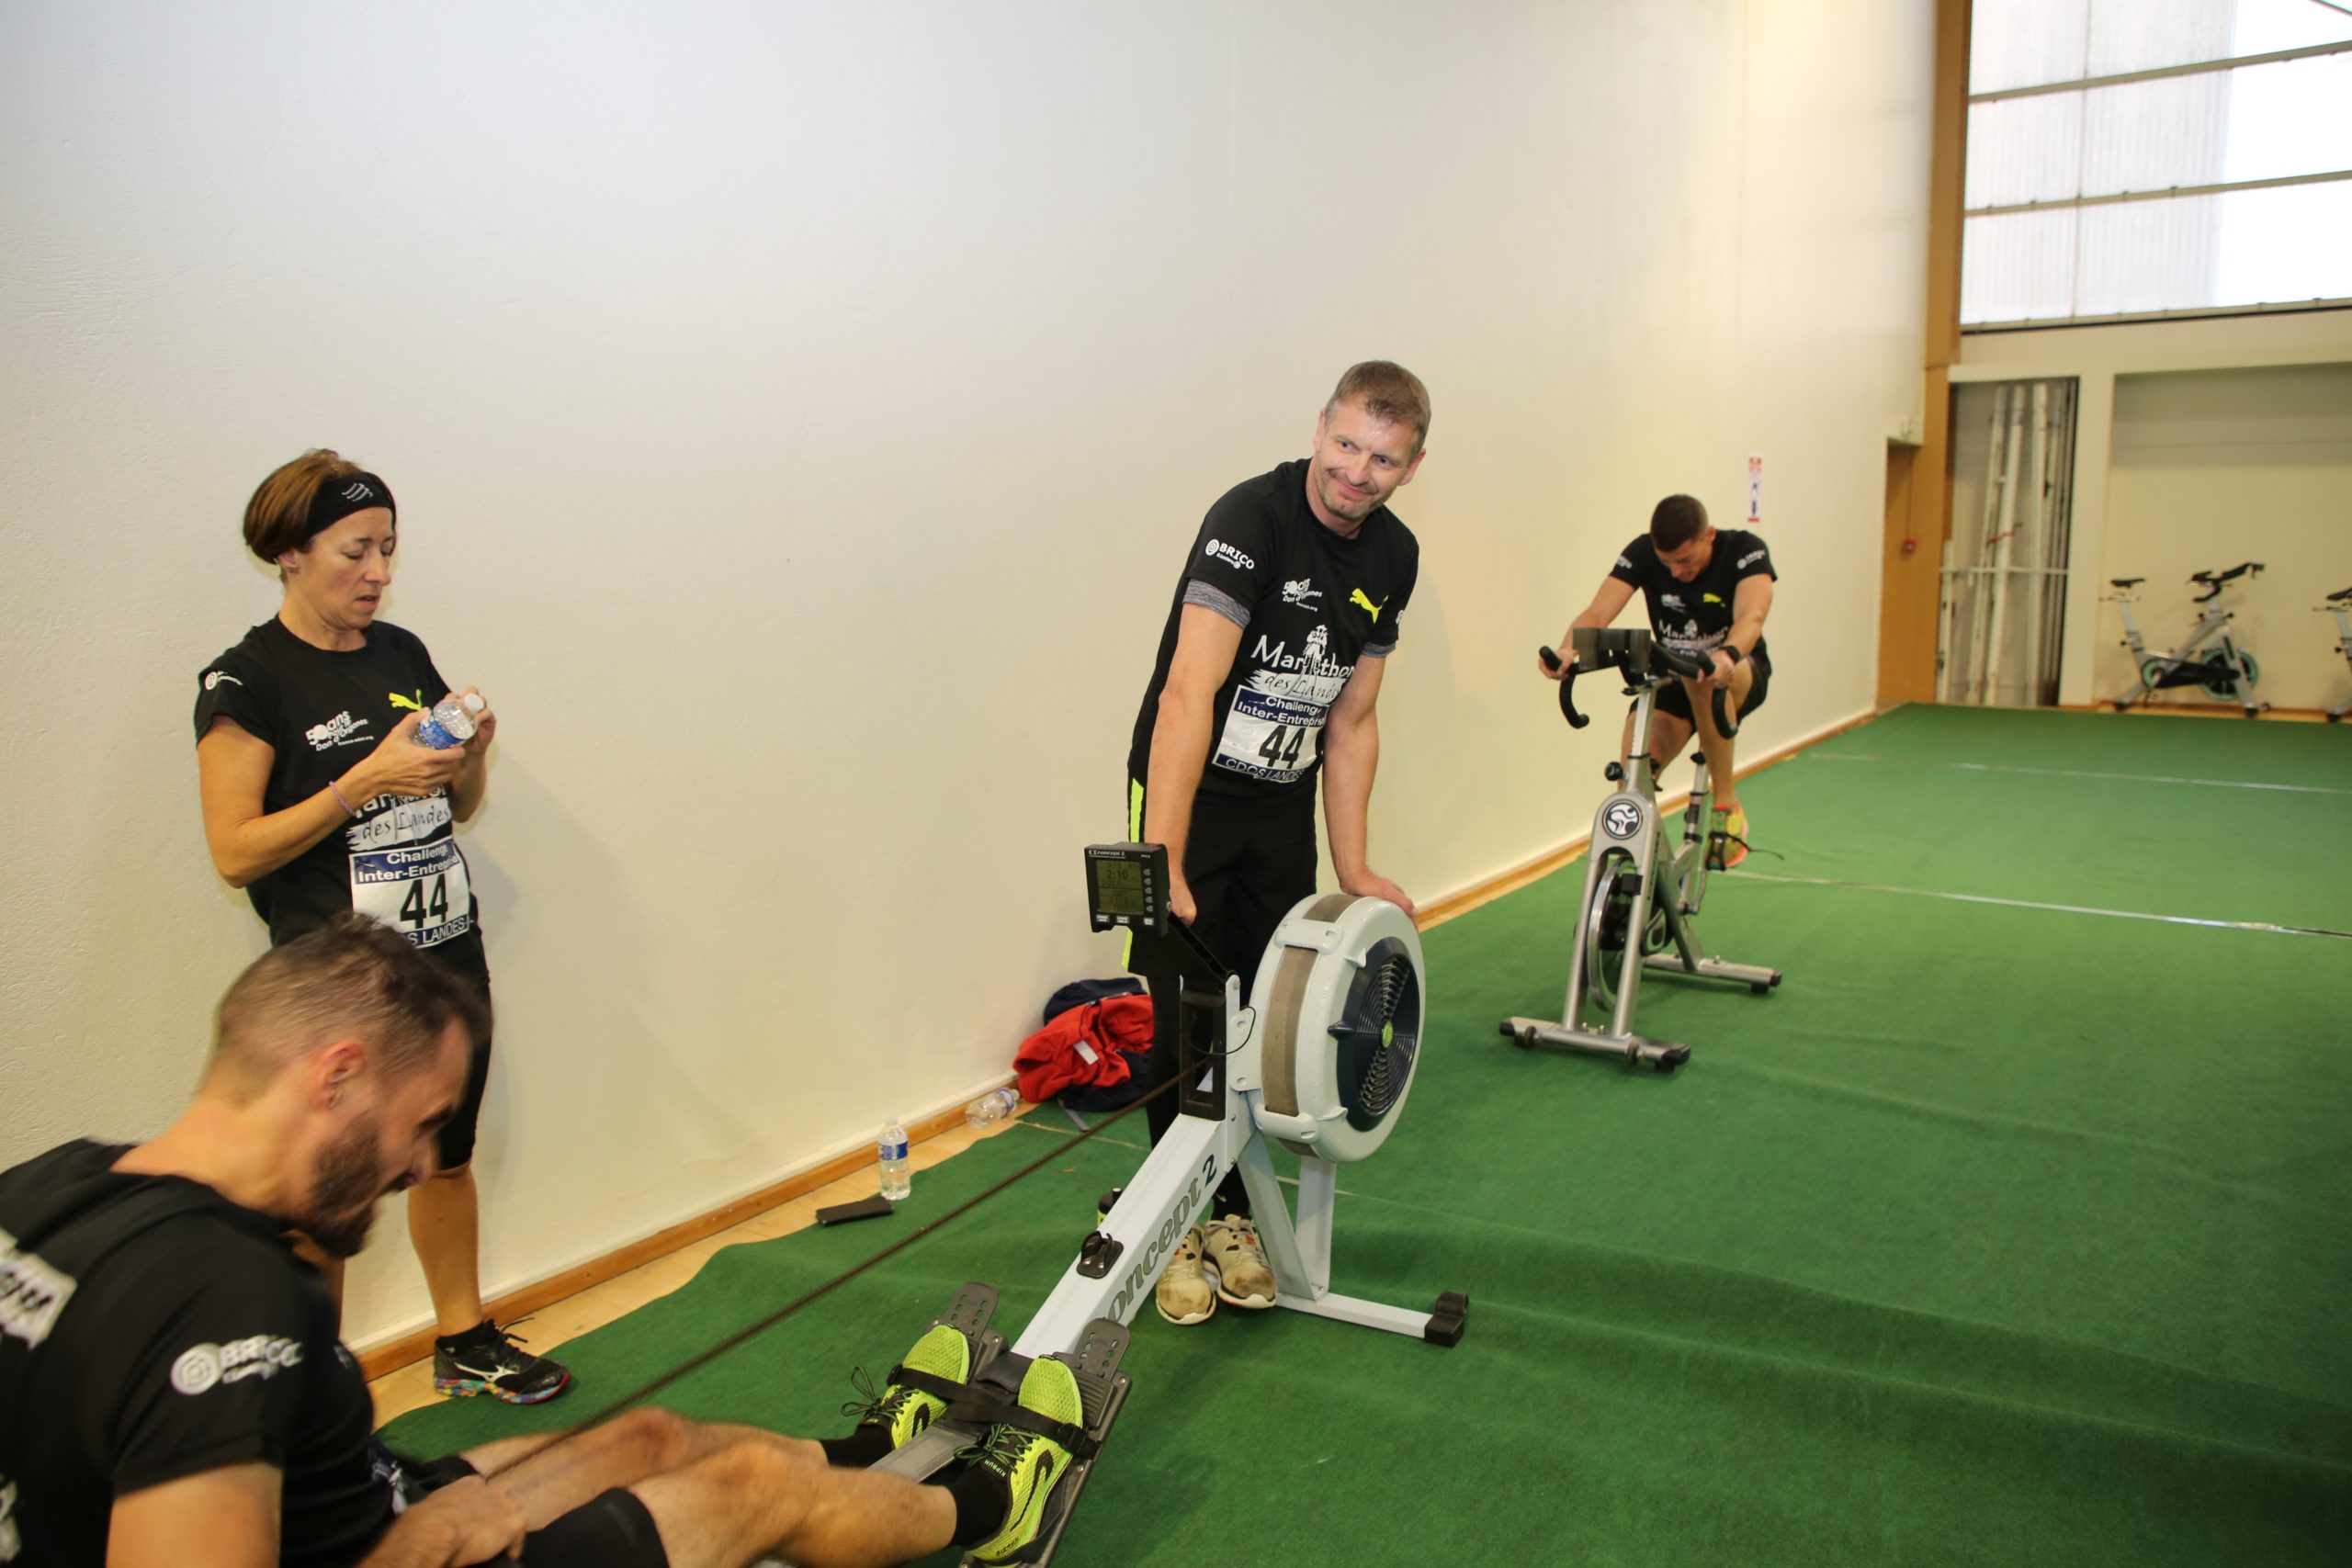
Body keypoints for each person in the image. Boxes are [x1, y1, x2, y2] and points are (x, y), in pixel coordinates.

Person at [0, 916, 1080, 1568]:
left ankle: (862, 1461)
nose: (422, 1166)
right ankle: (991, 1511)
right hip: (393, 1547)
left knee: (652, 1436)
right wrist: (403, 1549)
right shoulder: (224, 1300)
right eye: (424, 1123)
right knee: (753, 1485)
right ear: (338, 1077)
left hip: (358, 1514)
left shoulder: (51, 1186)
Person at [192, 450, 565, 1404]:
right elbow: (234, 850)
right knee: (328, 1189)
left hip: (441, 957)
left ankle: (465, 1339)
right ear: (288, 552)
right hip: (336, 983)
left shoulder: (400, 653)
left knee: (446, 1153)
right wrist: (361, 782)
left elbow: (456, 804)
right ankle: (315, 1386)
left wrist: (471, 756)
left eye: (388, 549)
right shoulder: (248, 680)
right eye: (355, 551)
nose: (378, 572)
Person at [1124, 361, 1426, 1325]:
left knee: (1264, 1014)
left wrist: (1355, 868)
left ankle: (1231, 1215)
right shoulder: (1250, 520)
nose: (1357, 473)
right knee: (1187, 1015)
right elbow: (1188, 694)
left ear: (1412, 466)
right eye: (1346, 445)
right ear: (1319, 426)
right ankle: (1173, 1222)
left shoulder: (1394, 556)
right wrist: (1165, 854)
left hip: (1276, 805)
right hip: (1191, 796)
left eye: (1383, 459)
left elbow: (1352, 720)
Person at [1543, 493, 1776, 867]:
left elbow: (1752, 616)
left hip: (1737, 670)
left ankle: (1726, 805)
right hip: (1673, 677)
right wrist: (1567, 650)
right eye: (1667, 564)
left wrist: (1726, 655)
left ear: (1709, 536)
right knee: (1635, 772)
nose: (1676, 573)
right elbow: (1598, 613)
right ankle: (1645, 864)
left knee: (1702, 678)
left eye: (1686, 561)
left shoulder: (1744, 550)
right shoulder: (1642, 552)